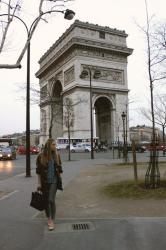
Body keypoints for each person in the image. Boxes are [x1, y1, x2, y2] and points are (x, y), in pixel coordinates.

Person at [36, 138, 63, 231]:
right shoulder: (40, 156)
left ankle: (52, 220)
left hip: (54, 181)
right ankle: (49, 218)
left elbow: (60, 168)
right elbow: (38, 172)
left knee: (51, 199)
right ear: (49, 145)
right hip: (44, 182)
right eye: (53, 145)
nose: (55, 146)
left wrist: (60, 178)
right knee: (47, 201)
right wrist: (39, 183)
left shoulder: (57, 155)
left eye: (55, 145)